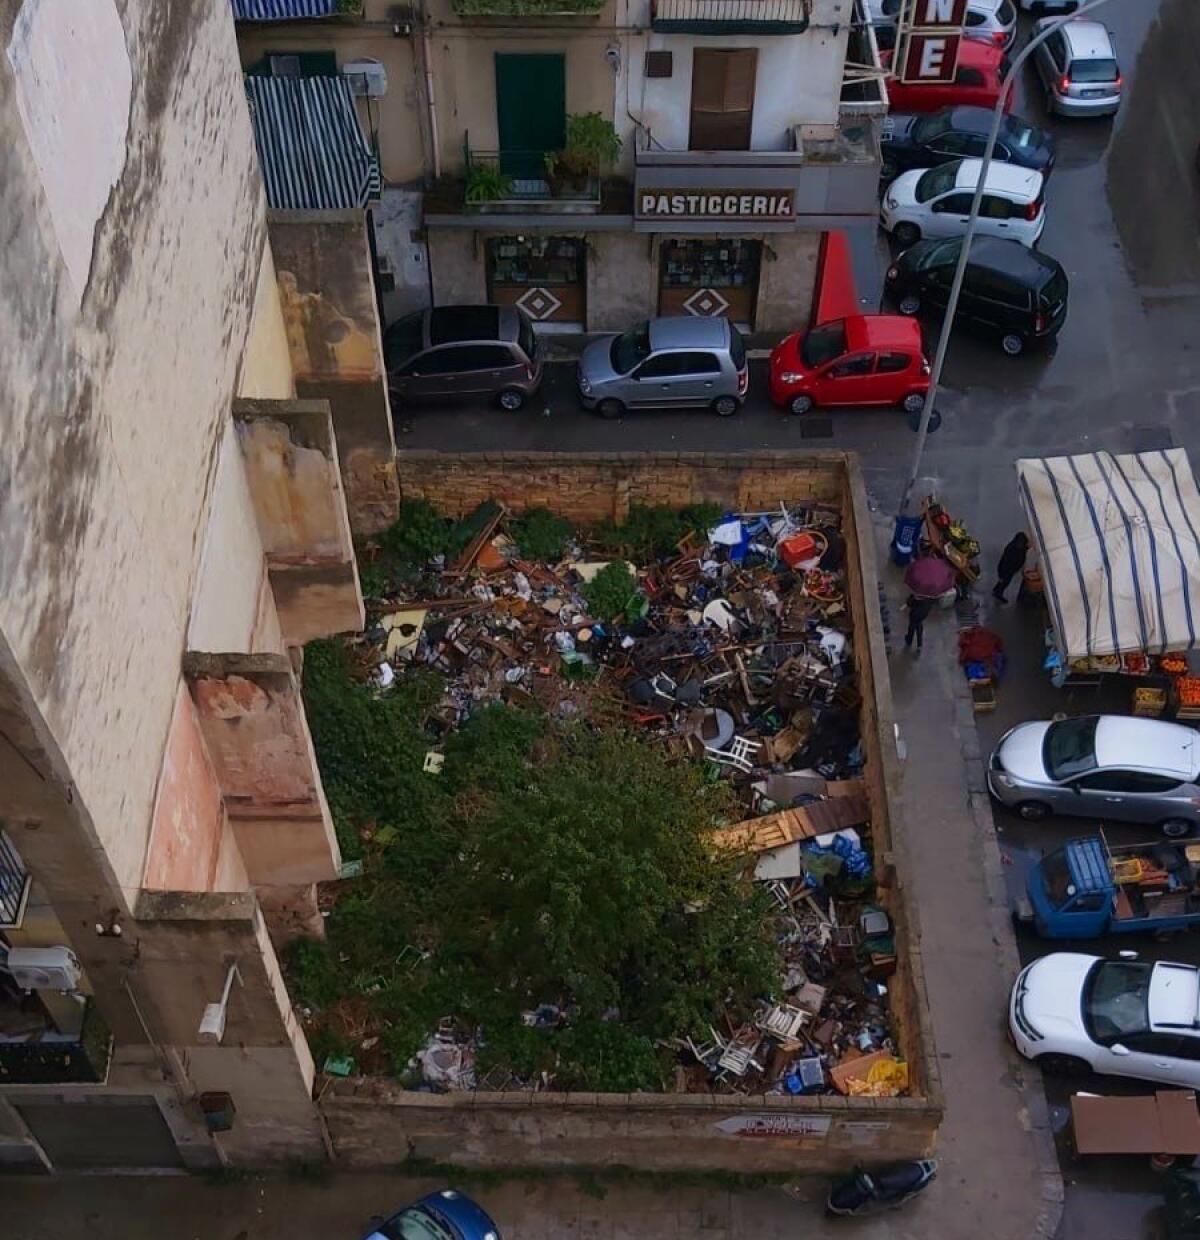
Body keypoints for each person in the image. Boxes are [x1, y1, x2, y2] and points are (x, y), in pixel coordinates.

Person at [992, 532, 1030, 603]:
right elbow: (1007, 561)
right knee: (1005, 581)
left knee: (1002, 580)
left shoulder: (1017, 547)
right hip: (1007, 570)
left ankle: (996, 589)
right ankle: (998, 593)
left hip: (1010, 569)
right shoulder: (1011, 549)